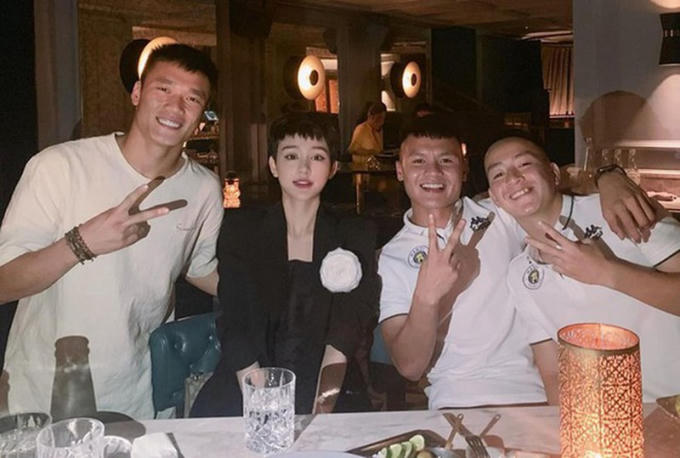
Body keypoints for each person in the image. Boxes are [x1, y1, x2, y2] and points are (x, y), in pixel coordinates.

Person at [0, 44, 223, 419]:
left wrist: (274, 288)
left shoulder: (203, 188)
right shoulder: (59, 167)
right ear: (137, 93)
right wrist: (81, 244)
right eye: (163, 89)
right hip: (45, 396)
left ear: (202, 115)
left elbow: (198, 267)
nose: (175, 107)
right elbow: (4, 282)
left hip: (140, 398)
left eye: (192, 98)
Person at [378, 115, 658, 409]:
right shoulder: (393, 255)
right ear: (400, 170)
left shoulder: (499, 211)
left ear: (463, 169)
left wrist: (609, 177)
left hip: (537, 391)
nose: (433, 172)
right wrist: (427, 297)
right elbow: (410, 367)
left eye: (446, 161)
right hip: (456, 399)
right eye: (418, 161)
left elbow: (549, 181)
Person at [190, 113, 379, 417]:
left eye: (317, 157)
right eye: (291, 156)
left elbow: (345, 332)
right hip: (247, 379)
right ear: (273, 165)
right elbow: (235, 323)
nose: (304, 168)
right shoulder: (241, 231)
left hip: (329, 382)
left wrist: (320, 413)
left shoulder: (354, 233)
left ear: (333, 168)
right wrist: (263, 407)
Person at [483, 133, 680, 403]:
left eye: (525, 164)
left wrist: (606, 273)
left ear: (554, 173)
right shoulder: (520, 276)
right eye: (498, 174)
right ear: (494, 197)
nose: (513, 178)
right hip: (611, 418)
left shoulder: (617, 208)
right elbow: (554, 373)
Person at [348, 102, 386, 166]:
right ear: (370, 117)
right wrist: (370, 152)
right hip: (361, 167)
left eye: (383, 119)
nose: (381, 122)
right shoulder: (361, 129)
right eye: (378, 119)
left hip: (376, 166)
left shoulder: (379, 130)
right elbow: (352, 149)